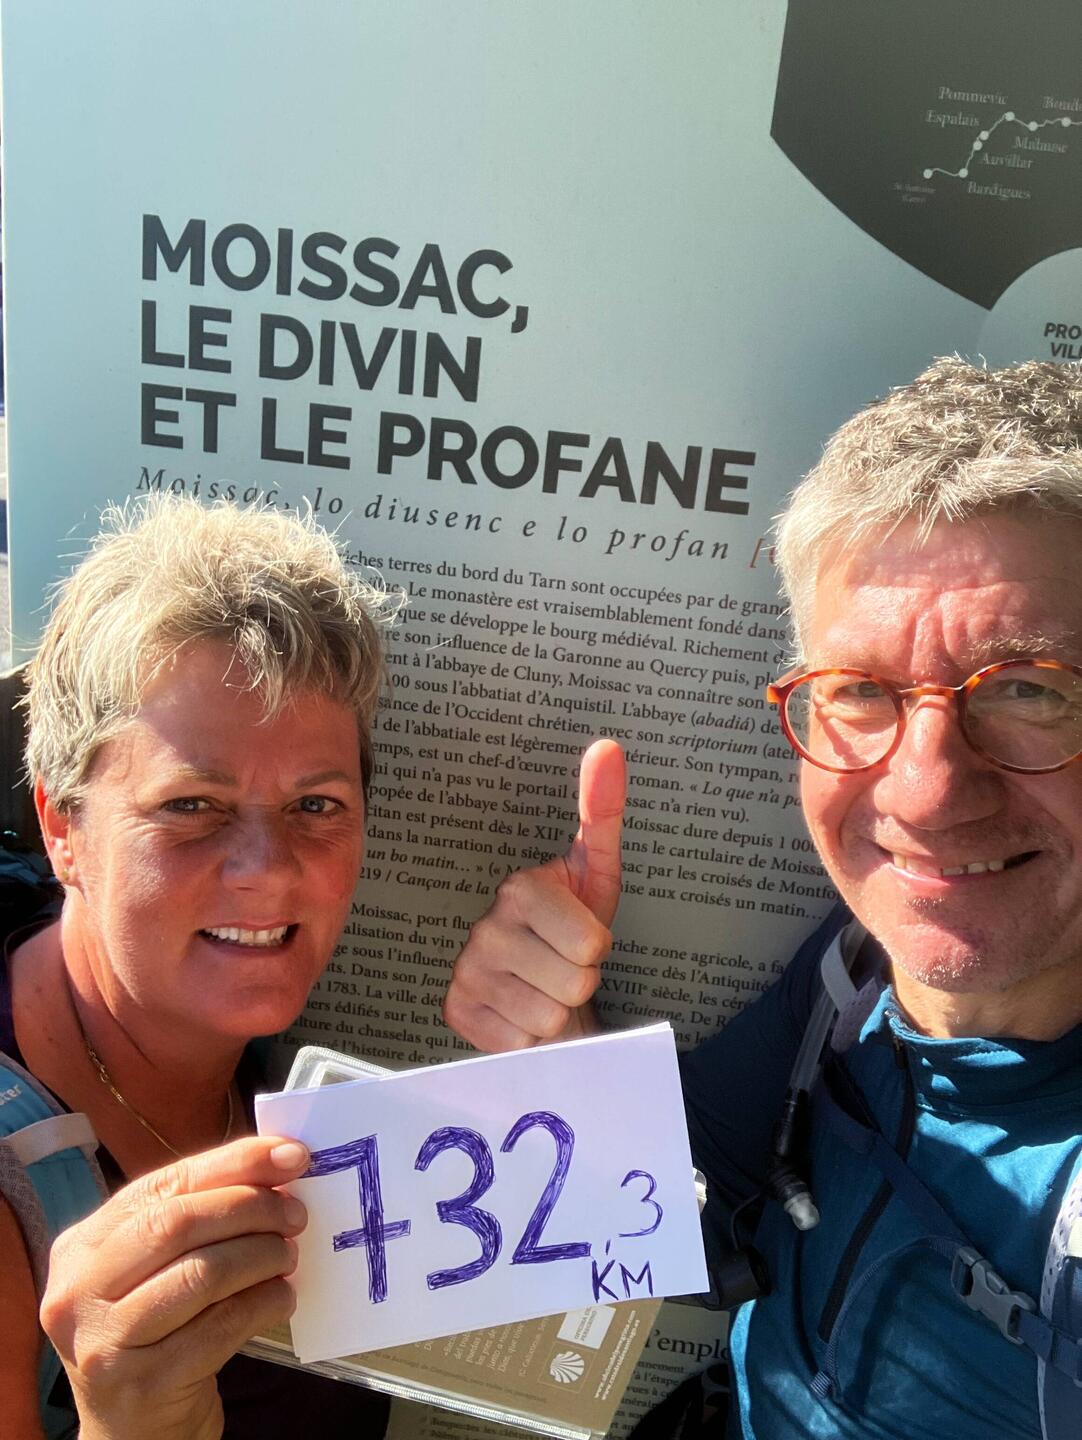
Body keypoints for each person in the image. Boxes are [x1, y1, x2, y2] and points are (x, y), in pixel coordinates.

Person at [444, 357, 1082, 1438]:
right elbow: (683, 1214)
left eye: (1027, 689)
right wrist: (559, 1051)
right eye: (860, 692)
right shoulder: (851, 981)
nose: (925, 793)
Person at [1, 496, 402, 1439]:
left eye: (315, 805)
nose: (267, 870)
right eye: (191, 804)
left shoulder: (274, 1077)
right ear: (62, 827)